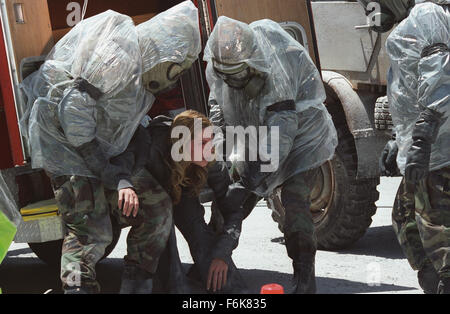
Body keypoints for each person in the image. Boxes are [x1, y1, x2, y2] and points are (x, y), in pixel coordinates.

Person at [20, 1, 202, 294]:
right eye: (175, 65)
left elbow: (130, 128)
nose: (175, 75)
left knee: (156, 208)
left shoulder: (144, 74)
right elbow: (74, 116)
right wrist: (117, 179)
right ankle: (77, 289)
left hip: (107, 150)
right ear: (163, 50)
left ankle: (136, 284)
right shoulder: (119, 56)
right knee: (90, 233)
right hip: (71, 151)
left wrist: (126, 174)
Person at [203, 17, 338, 294]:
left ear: (251, 64)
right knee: (229, 199)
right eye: (226, 75)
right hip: (256, 133)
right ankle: (212, 262)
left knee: (295, 202)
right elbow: (218, 107)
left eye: (237, 75)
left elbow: (281, 137)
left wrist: (248, 181)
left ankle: (304, 275)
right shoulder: (220, 65)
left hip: (301, 138)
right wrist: (223, 155)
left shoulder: (273, 67)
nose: (231, 81)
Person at [358, 0, 450, 294]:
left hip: (440, 151)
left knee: (439, 237)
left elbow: (439, 76)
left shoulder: (427, 13)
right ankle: (435, 282)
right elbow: (408, 93)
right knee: (404, 217)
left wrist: (422, 138)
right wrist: (400, 140)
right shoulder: (414, 22)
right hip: (427, 147)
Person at [106, 110, 249, 293]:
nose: (210, 149)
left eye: (211, 141)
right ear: (182, 143)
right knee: (164, 228)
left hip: (179, 193)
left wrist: (222, 254)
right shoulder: (151, 144)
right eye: (202, 143)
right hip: (150, 200)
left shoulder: (211, 160)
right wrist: (124, 185)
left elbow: (233, 209)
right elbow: (122, 159)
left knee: (199, 230)